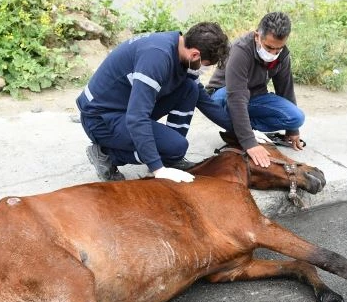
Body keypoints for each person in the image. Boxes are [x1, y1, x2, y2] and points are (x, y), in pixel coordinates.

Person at [77, 22, 234, 183]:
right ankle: (107, 155)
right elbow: (137, 118)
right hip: (100, 119)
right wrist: (158, 169)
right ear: (195, 55)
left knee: (190, 88)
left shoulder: (179, 48)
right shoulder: (156, 58)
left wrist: (240, 132)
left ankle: (170, 157)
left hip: (125, 106)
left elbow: (204, 101)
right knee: (176, 147)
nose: (204, 69)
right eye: (206, 65)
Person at [206, 11, 304, 169]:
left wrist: (292, 131)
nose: (273, 54)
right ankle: (243, 130)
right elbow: (236, 98)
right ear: (257, 36)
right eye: (269, 47)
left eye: (278, 49)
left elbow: (285, 89)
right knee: (230, 100)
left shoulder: (282, 55)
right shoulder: (240, 50)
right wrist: (249, 143)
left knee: (296, 117)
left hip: (254, 95)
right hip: (223, 95)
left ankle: (240, 127)